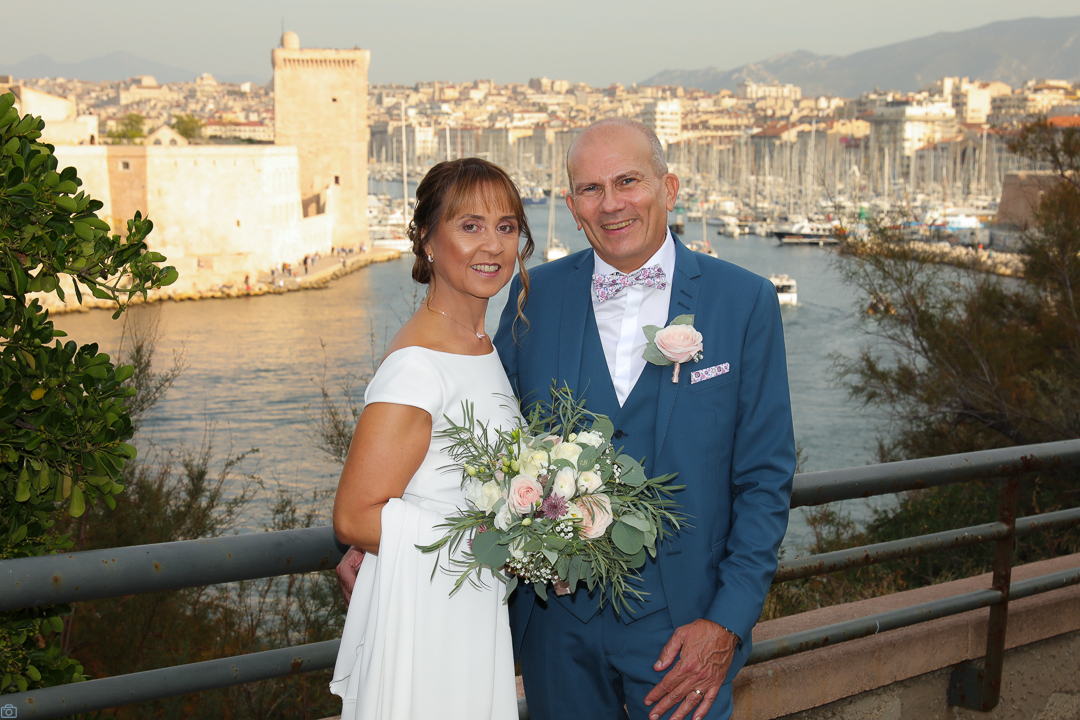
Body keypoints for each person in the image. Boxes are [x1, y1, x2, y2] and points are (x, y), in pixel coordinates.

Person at [492, 118, 795, 720]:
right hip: (555, 625)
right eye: (590, 188)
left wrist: (726, 622)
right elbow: (484, 432)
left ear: (669, 188)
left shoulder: (744, 301)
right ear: (572, 206)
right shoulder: (531, 296)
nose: (611, 204)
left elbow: (765, 478)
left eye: (628, 181)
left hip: (687, 625)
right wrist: (375, 533)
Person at [330, 157, 534, 720]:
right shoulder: (416, 366)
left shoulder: (480, 345)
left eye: (506, 226)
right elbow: (353, 517)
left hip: (467, 601)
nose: (492, 245)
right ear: (426, 239)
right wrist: (507, 541)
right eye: (470, 226)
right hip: (429, 618)